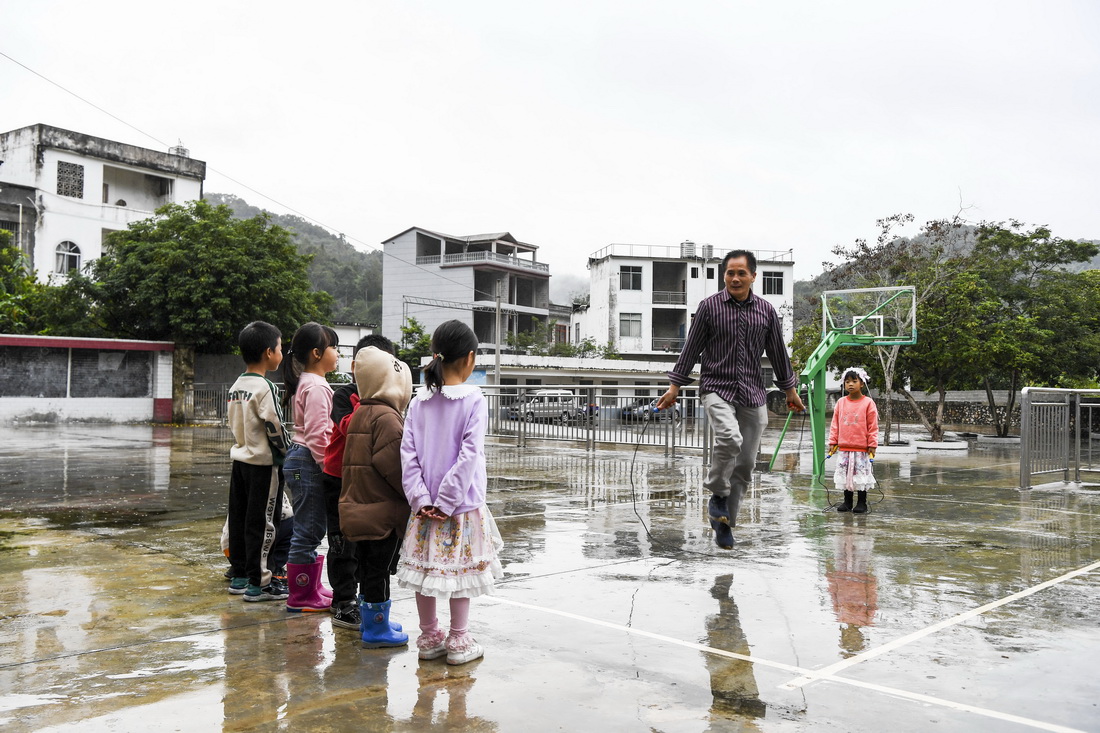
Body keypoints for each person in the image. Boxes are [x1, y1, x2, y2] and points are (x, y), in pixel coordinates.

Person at [656, 249, 805, 549]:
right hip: (716, 387)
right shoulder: (709, 307)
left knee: (746, 463)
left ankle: (725, 523)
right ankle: (717, 494)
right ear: (724, 275)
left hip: (752, 391)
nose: (735, 278)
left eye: (741, 273)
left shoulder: (766, 311)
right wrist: (675, 386)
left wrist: (790, 390)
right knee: (728, 437)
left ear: (753, 276)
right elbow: (691, 349)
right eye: (729, 273)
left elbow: (777, 353)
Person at [396, 320, 504, 665]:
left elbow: (407, 453)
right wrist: (447, 501)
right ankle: (458, 640)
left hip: (424, 508)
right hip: (460, 507)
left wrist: (422, 499)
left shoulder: (419, 401)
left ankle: (429, 637)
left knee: (425, 572)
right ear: (470, 358)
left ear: (435, 355)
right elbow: (468, 456)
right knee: (460, 574)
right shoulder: (474, 400)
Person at [321, 334, 399, 631]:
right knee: (342, 540)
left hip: (368, 483)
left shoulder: (390, 402)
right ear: (356, 368)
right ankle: (343, 601)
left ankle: (368, 605)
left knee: (369, 546)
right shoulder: (345, 396)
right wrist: (374, 404)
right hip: (337, 478)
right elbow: (350, 426)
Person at [341, 344, 413, 647]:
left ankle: (371, 621)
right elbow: (396, 467)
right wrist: (414, 495)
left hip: (360, 508)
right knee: (378, 572)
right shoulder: (387, 418)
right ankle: (377, 629)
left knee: (369, 569)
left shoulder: (362, 413)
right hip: (382, 513)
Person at [225, 321, 292, 602]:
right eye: (280, 348)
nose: (282, 353)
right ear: (268, 352)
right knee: (264, 522)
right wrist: (288, 449)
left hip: (240, 460)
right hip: (264, 465)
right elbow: (274, 425)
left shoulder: (237, 385)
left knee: (239, 519)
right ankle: (261, 583)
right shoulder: (266, 387)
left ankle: (240, 575)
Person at [282, 322, 340, 612]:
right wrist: (328, 467)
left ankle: (312, 588)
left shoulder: (306, 381)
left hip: (298, 458)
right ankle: (301, 596)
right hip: (308, 461)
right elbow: (319, 435)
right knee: (309, 529)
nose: (337, 352)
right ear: (317, 353)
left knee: (309, 527)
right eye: (333, 347)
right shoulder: (317, 386)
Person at [827, 367, 878, 514]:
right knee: (845, 474)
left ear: (862, 383)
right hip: (844, 447)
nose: (850, 384)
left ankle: (862, 502)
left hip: (862, 448)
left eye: (854, 381)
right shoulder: (841, 403)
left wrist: (872, 444)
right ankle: (847, 502)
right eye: (847, 381)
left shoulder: (868, 403)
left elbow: (873, 425)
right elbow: (834, 424)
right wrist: (833, 441)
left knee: (860, 475)